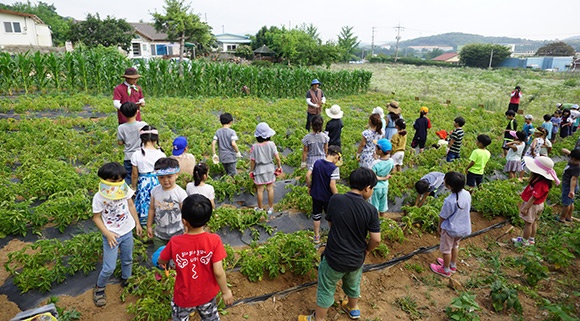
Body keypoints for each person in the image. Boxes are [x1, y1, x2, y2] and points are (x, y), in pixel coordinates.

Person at [297, 168, 381, 321]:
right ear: (367, 188)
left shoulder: (336, 199)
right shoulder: (371, 210)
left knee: (326, 288)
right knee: (353, 283)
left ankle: (319, 318)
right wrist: (367, 250)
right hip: (356, 259)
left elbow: (330, 221)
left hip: (334, 258)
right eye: (372, 188)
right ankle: (352, 308)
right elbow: (376, 239)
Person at [158, 194, 233, 321]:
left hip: (183, 296)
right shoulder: (214, 240)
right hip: (206, 295)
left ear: (184, 220)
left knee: (180, 318)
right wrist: (225, 291)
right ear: (207, 219)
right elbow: (218, 272)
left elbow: (162, 260)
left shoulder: (175, 242)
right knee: (210, 318)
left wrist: (161, 261)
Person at [92, 162, 142, 307]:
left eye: (120, 180)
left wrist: (137, 223)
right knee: (109, 267)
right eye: (113, 181)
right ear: (104, 180)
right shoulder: (99, 197)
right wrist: (107, 234)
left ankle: (127, 279)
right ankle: (99, 288)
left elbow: (131, 205)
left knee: (128, 259)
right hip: (112, 235)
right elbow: (96, 218)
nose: (117, 184)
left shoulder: (124, 189)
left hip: (127, 231)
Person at [429, 172, 471, 277]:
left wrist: (439, 226)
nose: (443, 181)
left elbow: (443, 216)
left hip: (450, 229)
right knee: (455, 246)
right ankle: (452, 265)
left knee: (446, 250)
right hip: (463, 228)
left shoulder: (449, 201)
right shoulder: (467, 194)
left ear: (449, 186)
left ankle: (445, 270)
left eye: (445, 180)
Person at [512, 156, 559, 246]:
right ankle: (531, 240)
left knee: (528, 223)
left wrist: (526, 208)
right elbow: (531, 190)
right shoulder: (541, 181)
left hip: (532, 205)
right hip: (538, 205)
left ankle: (524, 242)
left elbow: (533, 197)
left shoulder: (540, 184)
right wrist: (523, 193)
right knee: (533, 222)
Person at [147, 158, 188, 251]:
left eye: (169, 177)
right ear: (157, 177)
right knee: (160, 258)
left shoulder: (180, 193)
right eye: (161, 177)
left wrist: (187, 228)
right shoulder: (155, 191)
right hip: (159, 234)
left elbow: (185, 212)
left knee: (177, 257)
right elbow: (152, 209)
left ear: (176, 175)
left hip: (178, 233)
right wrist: (149, 226)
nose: (165, 180)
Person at [305, 145, 342, 244]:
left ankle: (316, 237)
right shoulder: (334, 168)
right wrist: (337, 196)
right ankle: (332, 236)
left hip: (316, 194)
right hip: (327, 197)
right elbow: (332, 185)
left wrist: (310, 187)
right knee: (330, 216)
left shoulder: (317, 162)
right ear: (336, 156)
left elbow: (307, 175)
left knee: (316, 215)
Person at [131, 125, 166, 225]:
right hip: (157, 181)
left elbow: (134, 174)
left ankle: (145, 225)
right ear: (156, 139)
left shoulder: (136, 154)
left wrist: (133, 187)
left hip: (143, 183)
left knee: (145, 203)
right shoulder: (161, 154)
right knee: (158, 202)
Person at [250, 122, 282, 215]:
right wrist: (279, 167)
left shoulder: (254, 146)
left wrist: (251, 170)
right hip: (270, 168)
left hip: (259, 170)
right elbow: (277, 157)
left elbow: (253, 161)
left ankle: (260, 208)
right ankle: (270, 208)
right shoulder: (271, 144)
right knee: (270, 188)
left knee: (260, 190)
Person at [117, 102, 148, 185]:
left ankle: (128, 193)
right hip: (142, 154)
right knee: (141, 174)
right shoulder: (143, 124)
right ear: (137, 112)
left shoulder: (121, 128)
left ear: (122, 114)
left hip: (128, 156)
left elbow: (120, 142)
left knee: (128, 176)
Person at [370, 139, 394, 217]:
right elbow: (392, 170)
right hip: (385, 186)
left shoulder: (375, 163)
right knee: (383, 206)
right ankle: (383, 221)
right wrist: (386, 177)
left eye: (376, 147)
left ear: (380, 151)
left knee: (374, 206)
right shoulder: (391, 161)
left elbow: (373, 177)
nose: (375, 149)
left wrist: (383, 178)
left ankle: (375, 222)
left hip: (376, 187)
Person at [559, 148, 580, 223]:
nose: (573, 161)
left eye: (575, 160)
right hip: (570, 186)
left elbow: (573, 179)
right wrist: (568, 152)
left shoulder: (576, 168)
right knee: (571, 202)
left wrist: (571, 191)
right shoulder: (573, 160)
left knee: (566, 203)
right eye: (572, 159)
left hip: (570, 186)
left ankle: (562, 218)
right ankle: (569, 217)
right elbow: (568, 153)